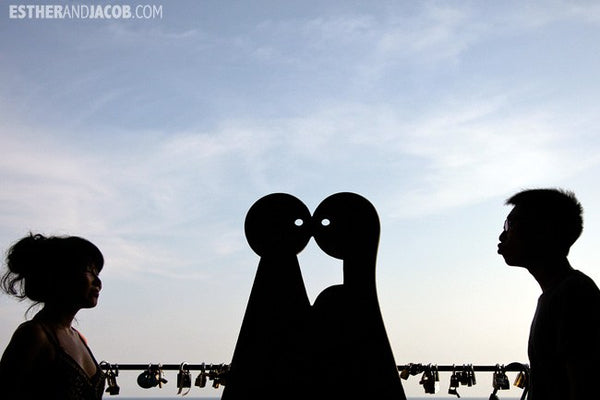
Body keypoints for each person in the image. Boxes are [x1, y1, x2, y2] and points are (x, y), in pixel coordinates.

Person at [497, 188, 600, 400]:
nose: (502, 235)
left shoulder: (574, 295)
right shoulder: (559, 294)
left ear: (543, 229)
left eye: (510, 224)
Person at [0, 233, 106, 399]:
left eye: (97, 273)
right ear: (61, 275)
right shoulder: (34, 335)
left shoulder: (79, 338)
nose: (98, 282)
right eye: (89, 271)